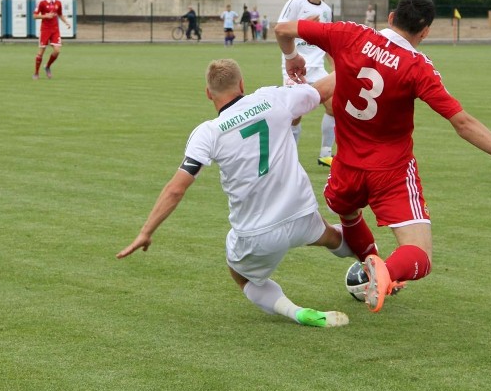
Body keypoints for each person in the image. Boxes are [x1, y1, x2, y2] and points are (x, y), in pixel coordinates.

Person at [274, 0, 491, 313]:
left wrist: (292, 57)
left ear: (390, 18)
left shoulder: (348, 34)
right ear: (425, 31)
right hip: (391, 171)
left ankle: (369, 263)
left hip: (345, 168)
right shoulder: (417, 68)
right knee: (420, 254)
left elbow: (281, 29)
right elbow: (462, 122)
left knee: (348, 214)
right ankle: (386, 271)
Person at [117, 59, 355, 328]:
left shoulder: (208, 133)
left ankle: (296, 312)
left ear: (208, 93)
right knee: (333, 236)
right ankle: (376, 264)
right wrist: (359, 60)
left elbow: (176, 189)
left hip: (257, 233)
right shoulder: (271, 98)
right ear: (242, 85)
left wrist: (145, 232)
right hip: (301, 213)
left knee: (240, 275)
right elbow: (322, 90)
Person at [277, 0, 336, 168]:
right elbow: (281, 31)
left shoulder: (327, 10)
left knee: (334, 107)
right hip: (295, 67)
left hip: (318, 68)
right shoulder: (295, 3)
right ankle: (290, 157)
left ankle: (326, 154)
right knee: (295, 115)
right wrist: (304, 26)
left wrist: (336, 67)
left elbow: (328, 42)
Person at [32, 0, 72, 80]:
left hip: (55, 30)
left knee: (57, 50)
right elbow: (35, 16)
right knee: (41, 52)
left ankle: (47, 66)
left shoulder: (58, 3)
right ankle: (36, 73)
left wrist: (66, 22)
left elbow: (60, 14)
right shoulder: (42, 3)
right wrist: (45, 16)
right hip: (45, 29)